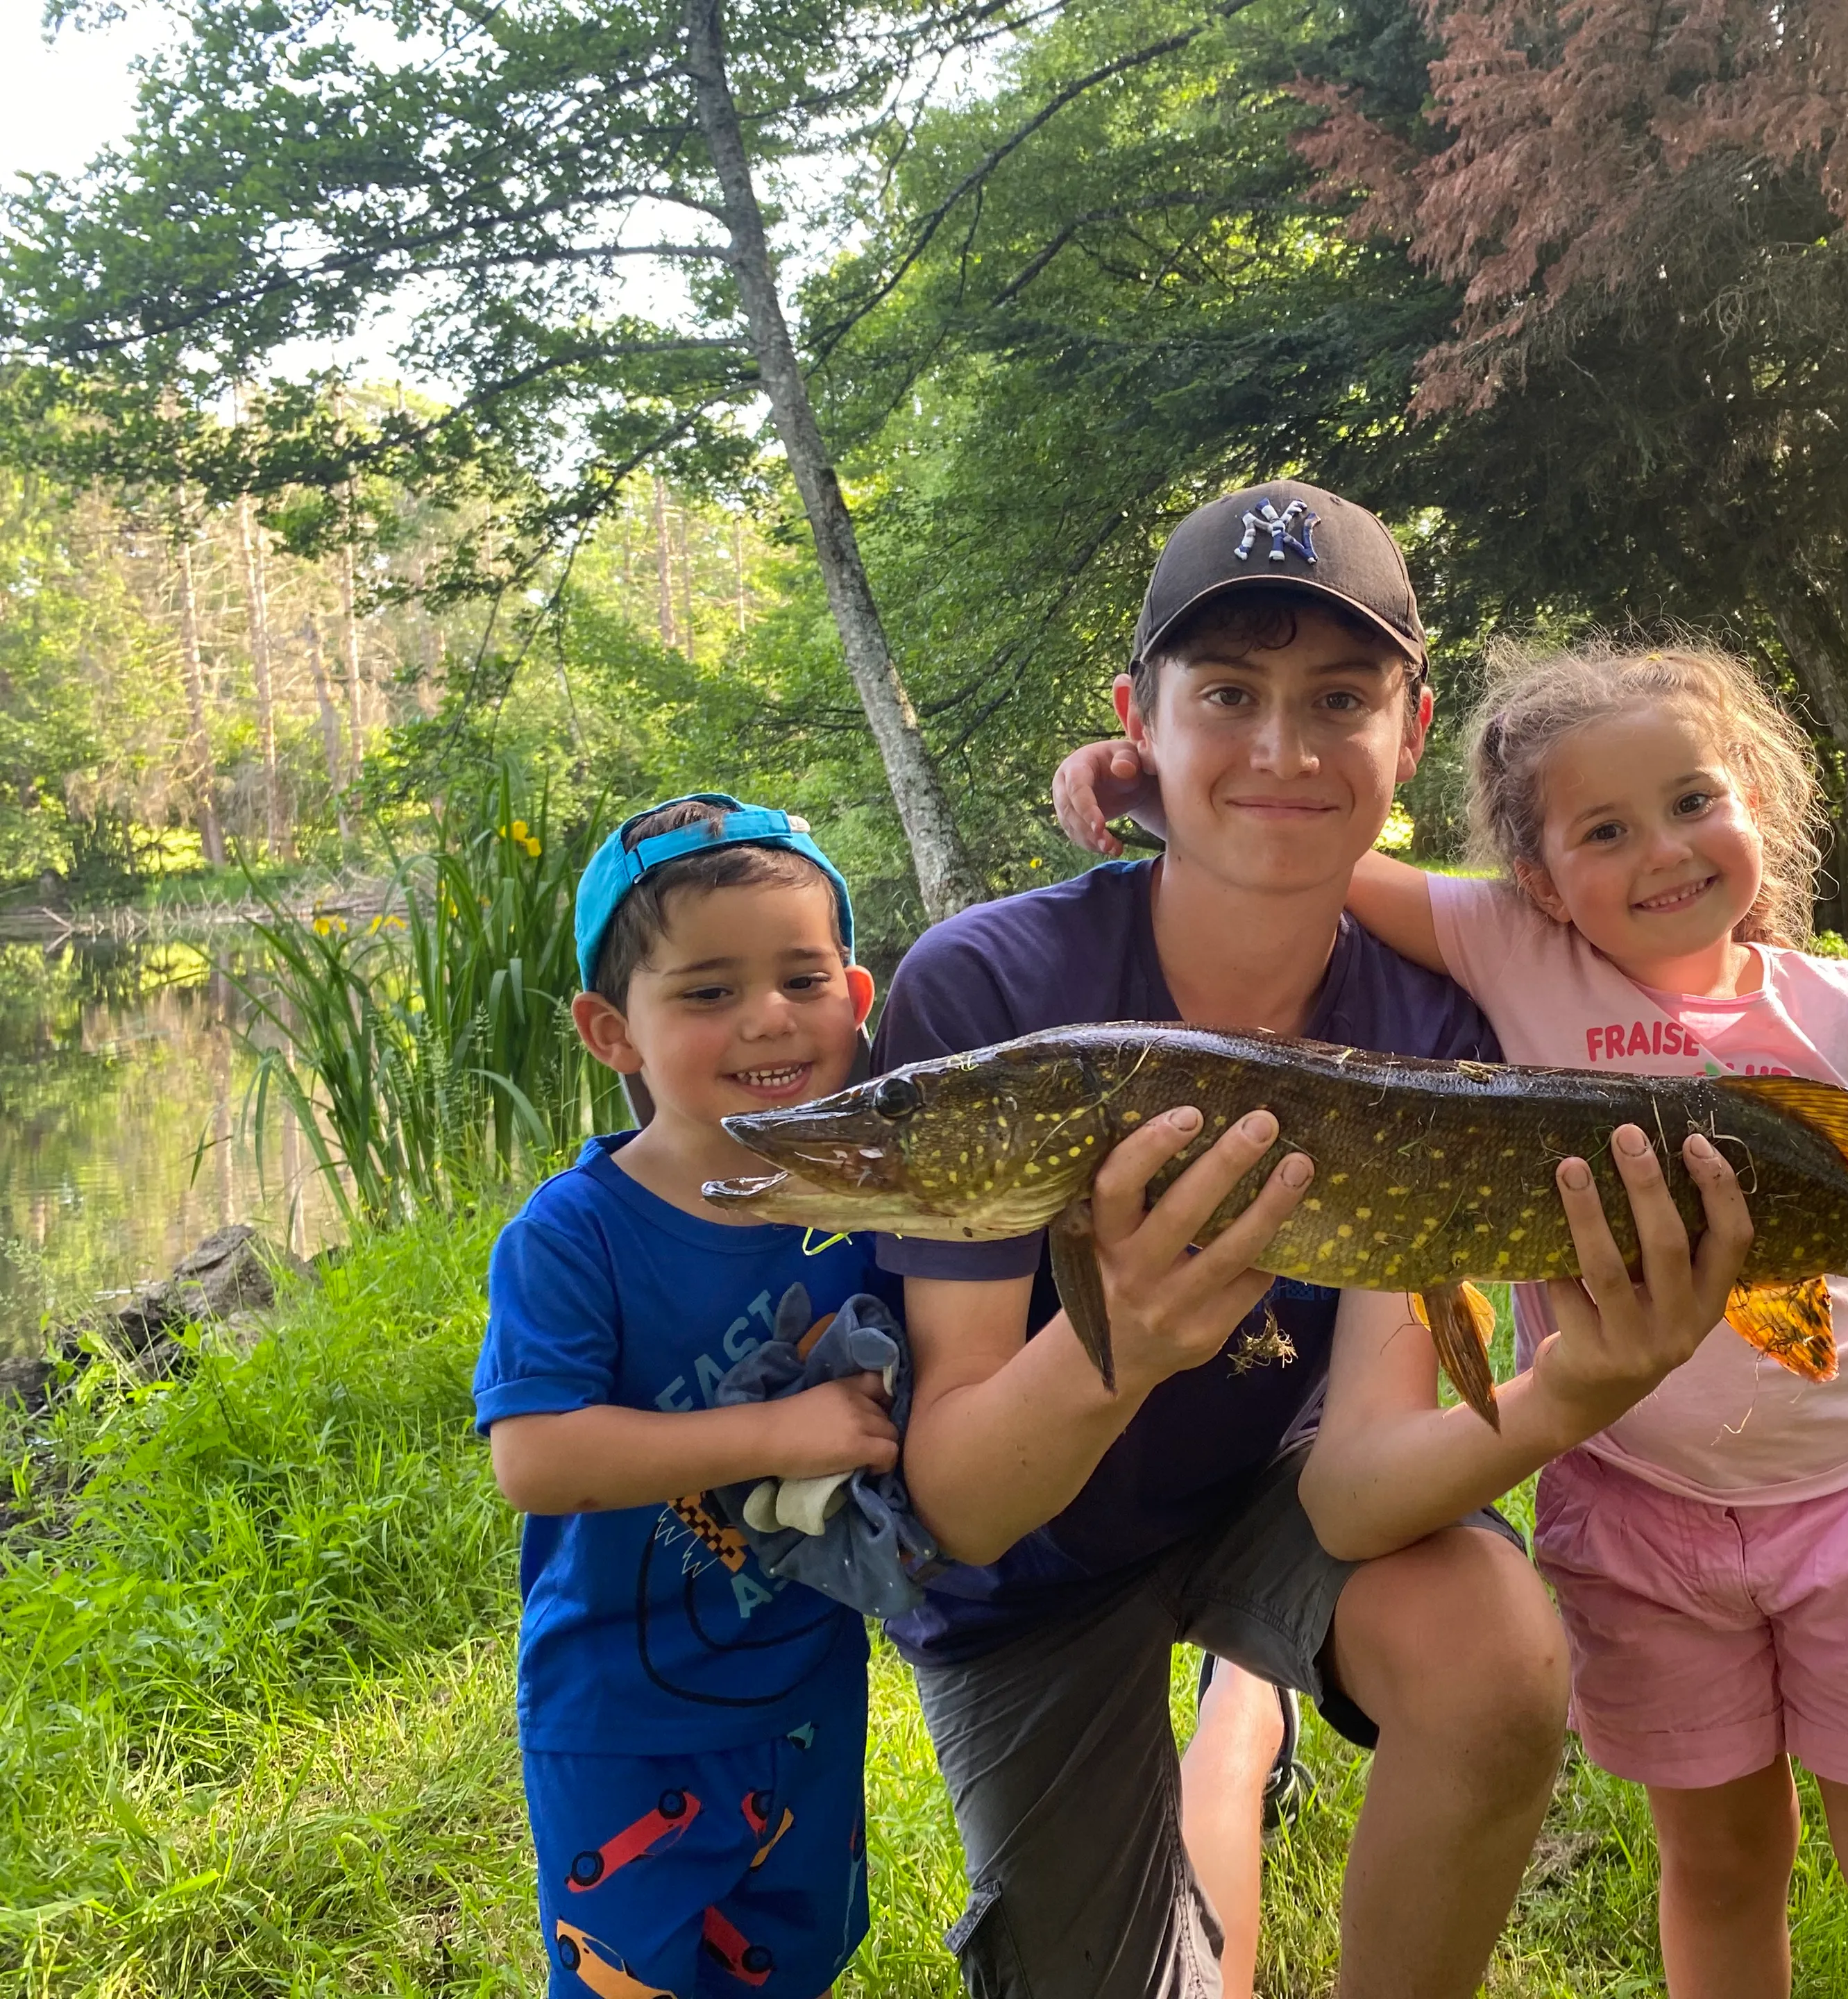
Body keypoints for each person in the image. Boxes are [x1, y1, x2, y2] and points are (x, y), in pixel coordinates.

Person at [875, 482, 1759, 1999]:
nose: (1284, 750)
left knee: (1492, 1657)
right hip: (1031, 1555)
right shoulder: (984, 996)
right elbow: (959, 1506)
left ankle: (1248, 1687)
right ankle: (1245, 1713)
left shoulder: (1442, 1017)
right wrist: (1126, 1349)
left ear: (1409, 737)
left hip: (1278, 1495)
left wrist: (1567, 1397)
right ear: (1136, 722)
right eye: (1228, 695)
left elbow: (1355, 1492)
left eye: (1339, 699)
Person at [1058, 641, 1848, 1998]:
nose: (1664, 850)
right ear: (1539, 880)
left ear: (1755, 799)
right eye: (1606, 830)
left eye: (1696, 801)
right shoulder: (1511, 952)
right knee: (1718, 1864)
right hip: (1637, 1510)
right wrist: (1158, 786)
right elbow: (1323, 856)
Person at [475, 795, 899, 1999]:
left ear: (858, 1003)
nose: (769, 1017)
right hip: (616, 1719)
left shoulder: (865, 1203)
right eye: (708, 992)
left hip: (806, 1686)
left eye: (804, 980)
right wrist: (779, 1431)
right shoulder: (573, 1235)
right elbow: (538, 1458)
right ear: (613, 1031)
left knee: (791, 1962)